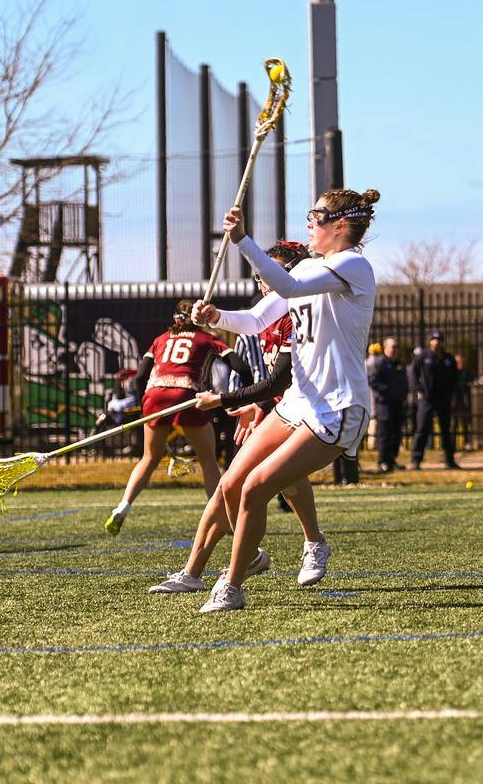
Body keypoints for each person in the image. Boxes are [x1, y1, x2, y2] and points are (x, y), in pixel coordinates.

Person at [191, 190, 380, 610]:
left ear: (341, 225)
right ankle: (260, 557)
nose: (309, 222)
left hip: (337, 406)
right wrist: (217, 318)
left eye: (317, 215)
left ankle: (232, 586)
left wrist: (243, 240)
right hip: (299, 400)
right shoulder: (313, 265)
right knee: (232, 484)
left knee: (257, 487)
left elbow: (289, 284)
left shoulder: (352, 264)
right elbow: (258, 319)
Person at [151, 241, 332, 596]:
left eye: (272, 274)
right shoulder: (268, 311)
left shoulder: (302, 310)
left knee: (281, 482)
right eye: (260, 275)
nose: (264, 282)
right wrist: (213, 317)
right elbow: (252, 333)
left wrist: (224, 398)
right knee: (229, 485)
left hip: (307, 407)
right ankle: (198, 570)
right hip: (276, 406)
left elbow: (279, 380)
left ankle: (307, 544)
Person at [104, 300, 249, 534]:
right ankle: (221, 516)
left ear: (175, 318)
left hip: (155, 394)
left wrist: (145, 407)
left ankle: (122, 506)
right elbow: (240, 367)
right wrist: (244, 394)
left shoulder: (160, 339)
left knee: (149, 458)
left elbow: (140, 376)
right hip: (187, 394)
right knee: (208, 460)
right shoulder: (208, 339)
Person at [408, 329, 460, 469]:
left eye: (439, 339)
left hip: (443, 399)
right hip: (427, 399)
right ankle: (416, 460)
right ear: (430, 341)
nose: (436, 342)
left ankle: (449, 460)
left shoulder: (448, 358)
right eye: (434, 339)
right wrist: (419, 389)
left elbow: (455, 378)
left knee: (446, 430)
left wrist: (451, 392)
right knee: (422, 429)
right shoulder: (422, 357)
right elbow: (413, 374)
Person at [368, 336, 408, 472]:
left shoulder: (399, 364)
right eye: (393, 347)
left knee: (396, 434)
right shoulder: (380, 363)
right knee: (385, 434)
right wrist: (387, 392)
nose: (396, 350)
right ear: (386, 348)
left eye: (397, 347)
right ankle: (383, 461)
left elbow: (404, 382)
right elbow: (373, 380)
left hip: (398, 403)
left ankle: (392, 460)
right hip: (385, 404)